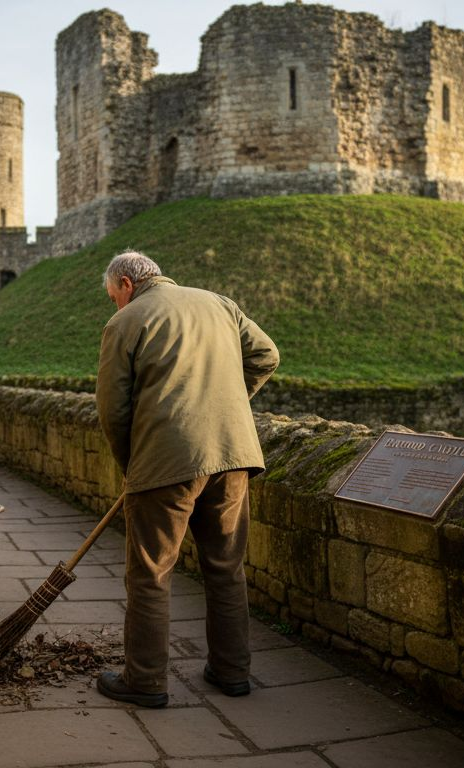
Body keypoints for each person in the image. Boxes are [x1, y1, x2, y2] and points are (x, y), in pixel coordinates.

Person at [94, 250, 279, 708]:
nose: (114, 304)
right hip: (233, 454)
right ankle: (232, 672)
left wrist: (131, 463)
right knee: (225, 567)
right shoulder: (220, 303)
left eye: (113, 295)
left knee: (151, 573)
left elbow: (112, 409)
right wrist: (229, 403)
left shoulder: (127, 321)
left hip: (165, 462)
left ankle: (145, 680)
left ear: (126, 284)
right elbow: (266, 355)